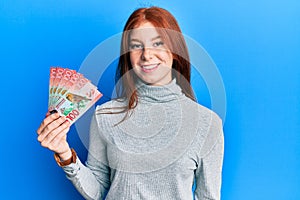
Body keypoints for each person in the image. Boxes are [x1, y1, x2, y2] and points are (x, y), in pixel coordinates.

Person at [37, 6, 224, 200]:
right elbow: (98, 190)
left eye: (158, 43)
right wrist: (65, 154)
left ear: (175, 50)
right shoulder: (105, 116)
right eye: (136, 45)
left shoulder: (207, 123)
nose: (147, 55)